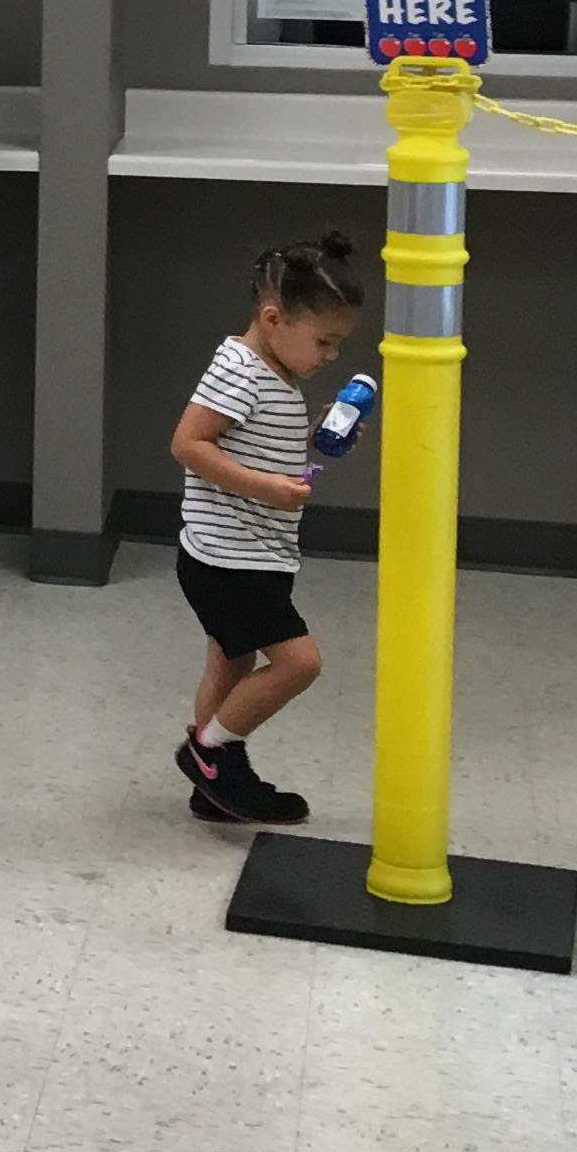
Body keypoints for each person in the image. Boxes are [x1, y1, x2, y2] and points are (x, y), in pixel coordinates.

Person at [168, 232, 365, 829]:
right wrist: (266, 489)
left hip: (249, 553)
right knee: (299, 663)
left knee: (230, 665)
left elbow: (252, 440)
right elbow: (188, 443)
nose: (331, 355)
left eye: (338, 343)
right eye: (324, 341)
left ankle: (213, 788)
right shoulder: (240, 371)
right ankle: (210, 754)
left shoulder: (273, 374)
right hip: (229, 558)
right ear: (274, 318)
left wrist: (311, 437)